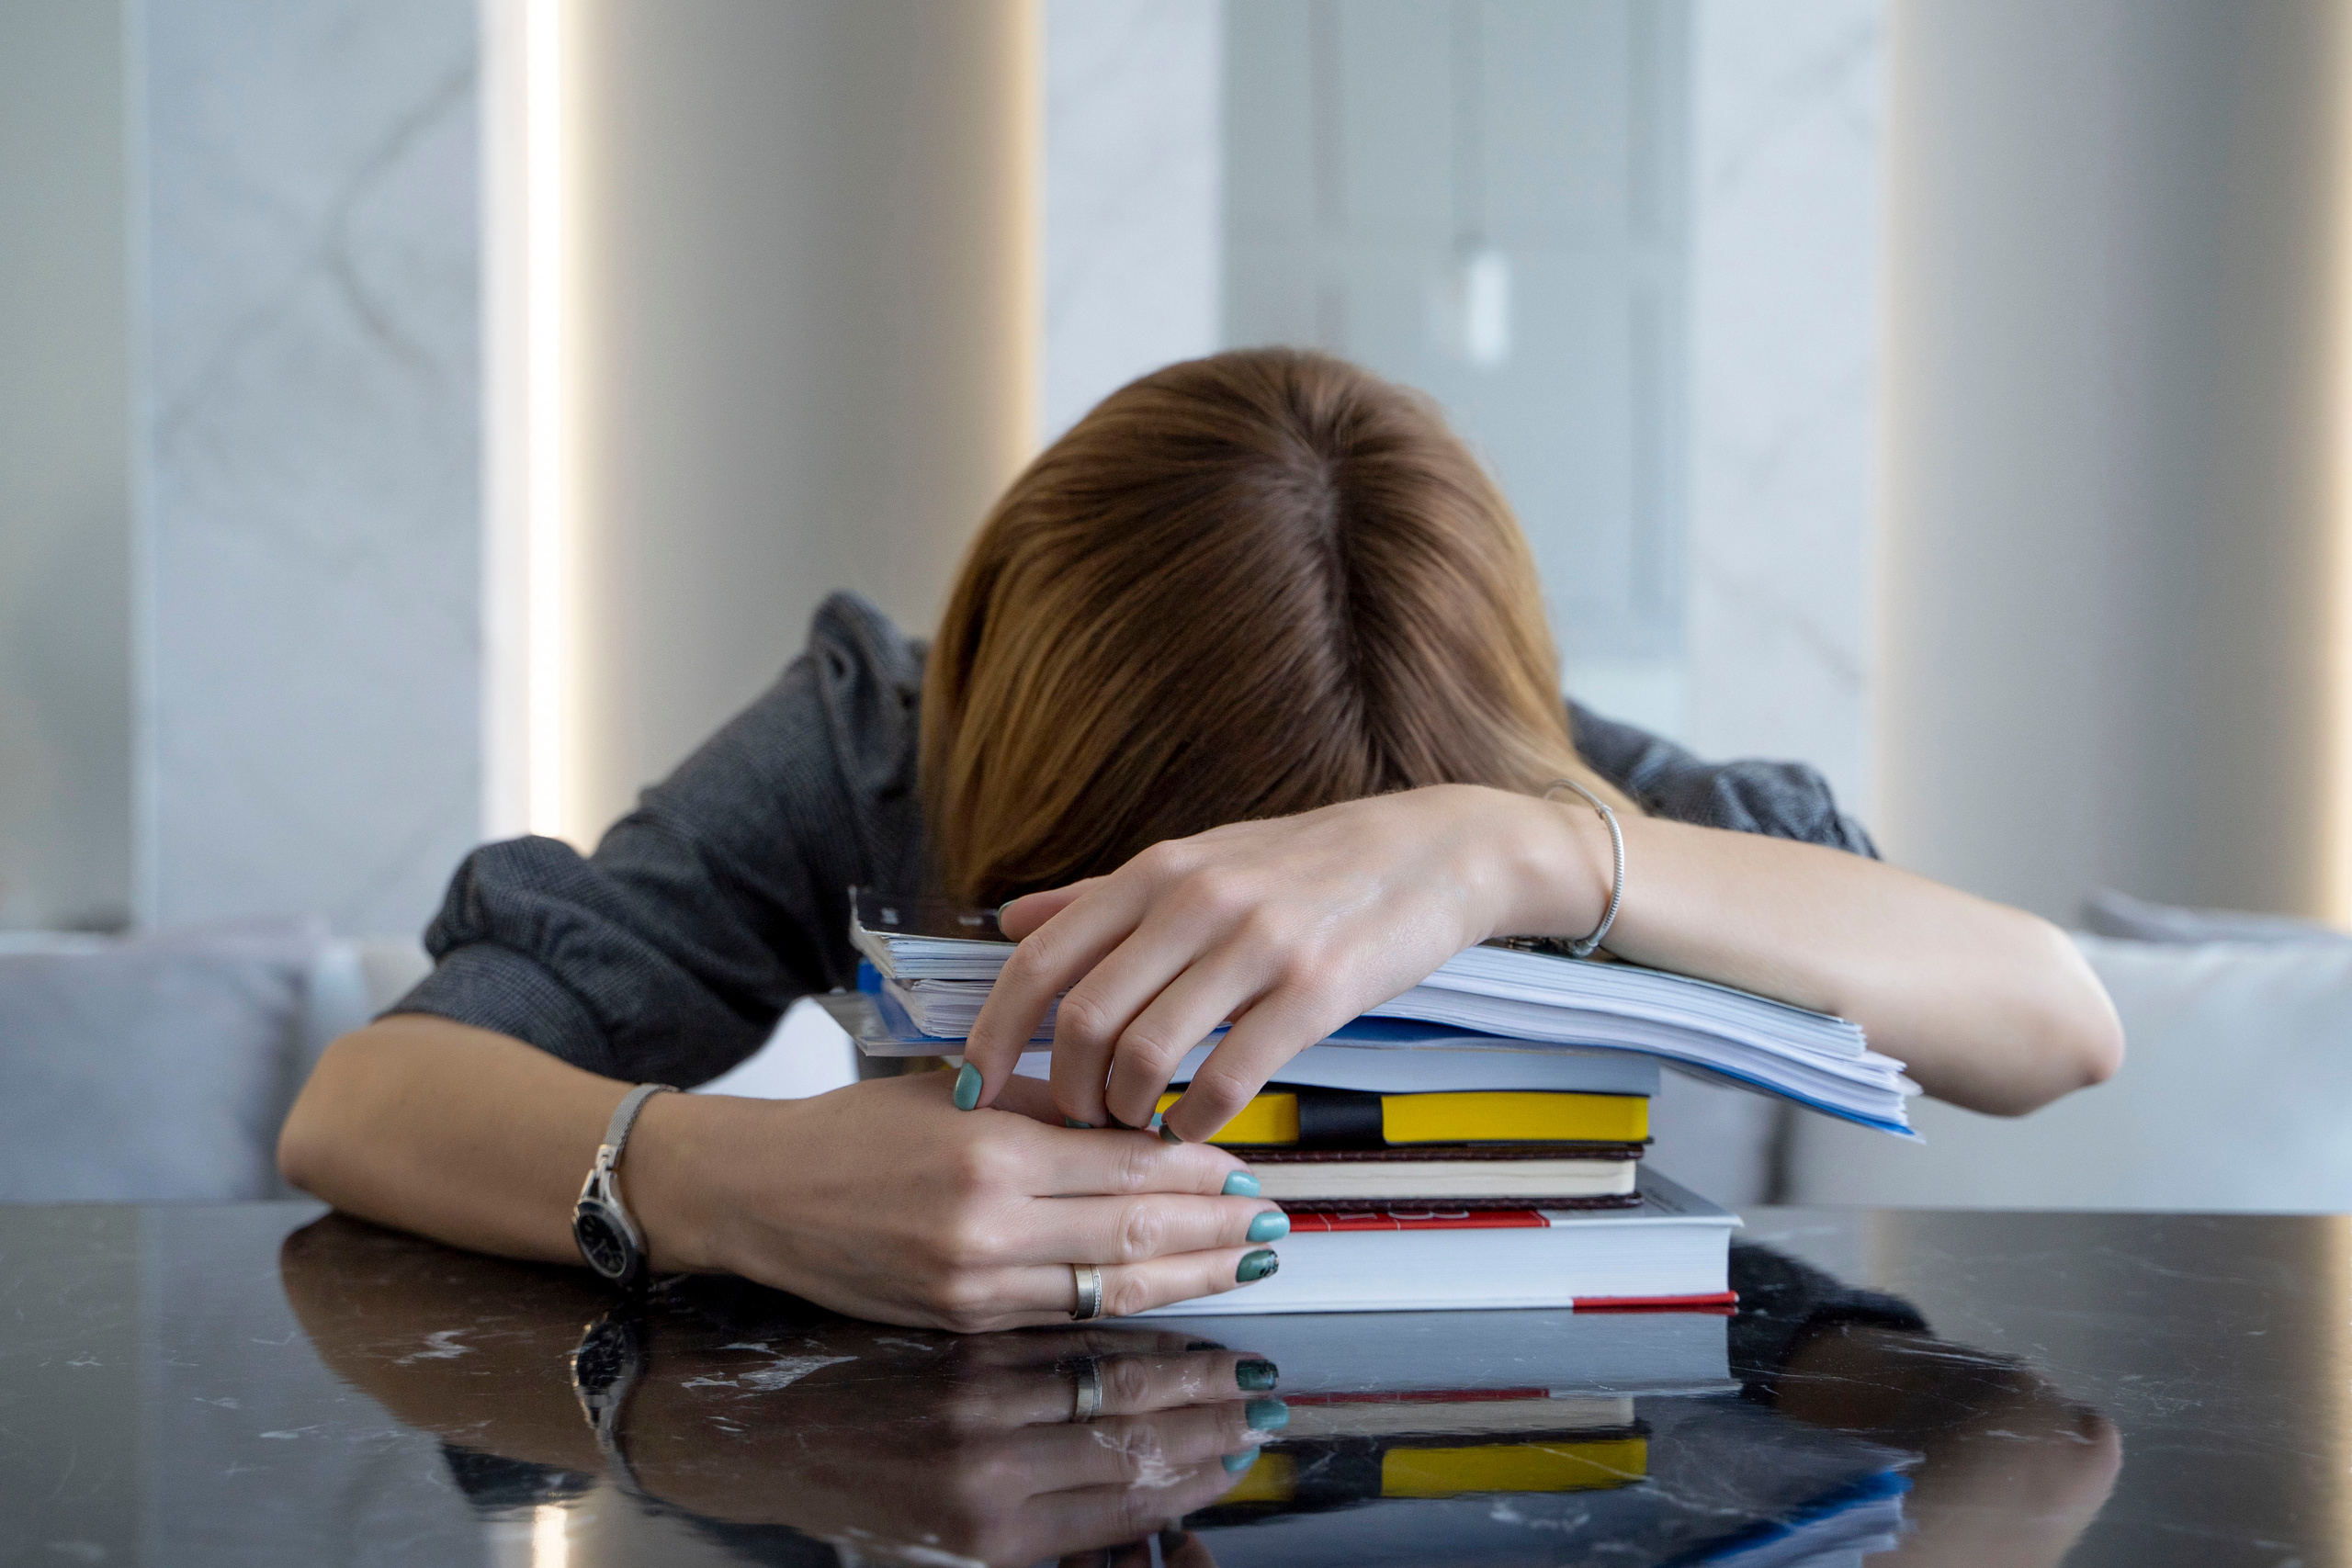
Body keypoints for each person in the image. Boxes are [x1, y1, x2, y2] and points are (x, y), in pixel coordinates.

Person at [279, 348, 2121, 1330]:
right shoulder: (870, 749)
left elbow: (2053, 1021)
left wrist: (1518, 853)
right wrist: (723, 1180)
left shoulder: (1549, 787)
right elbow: (364, 1099)